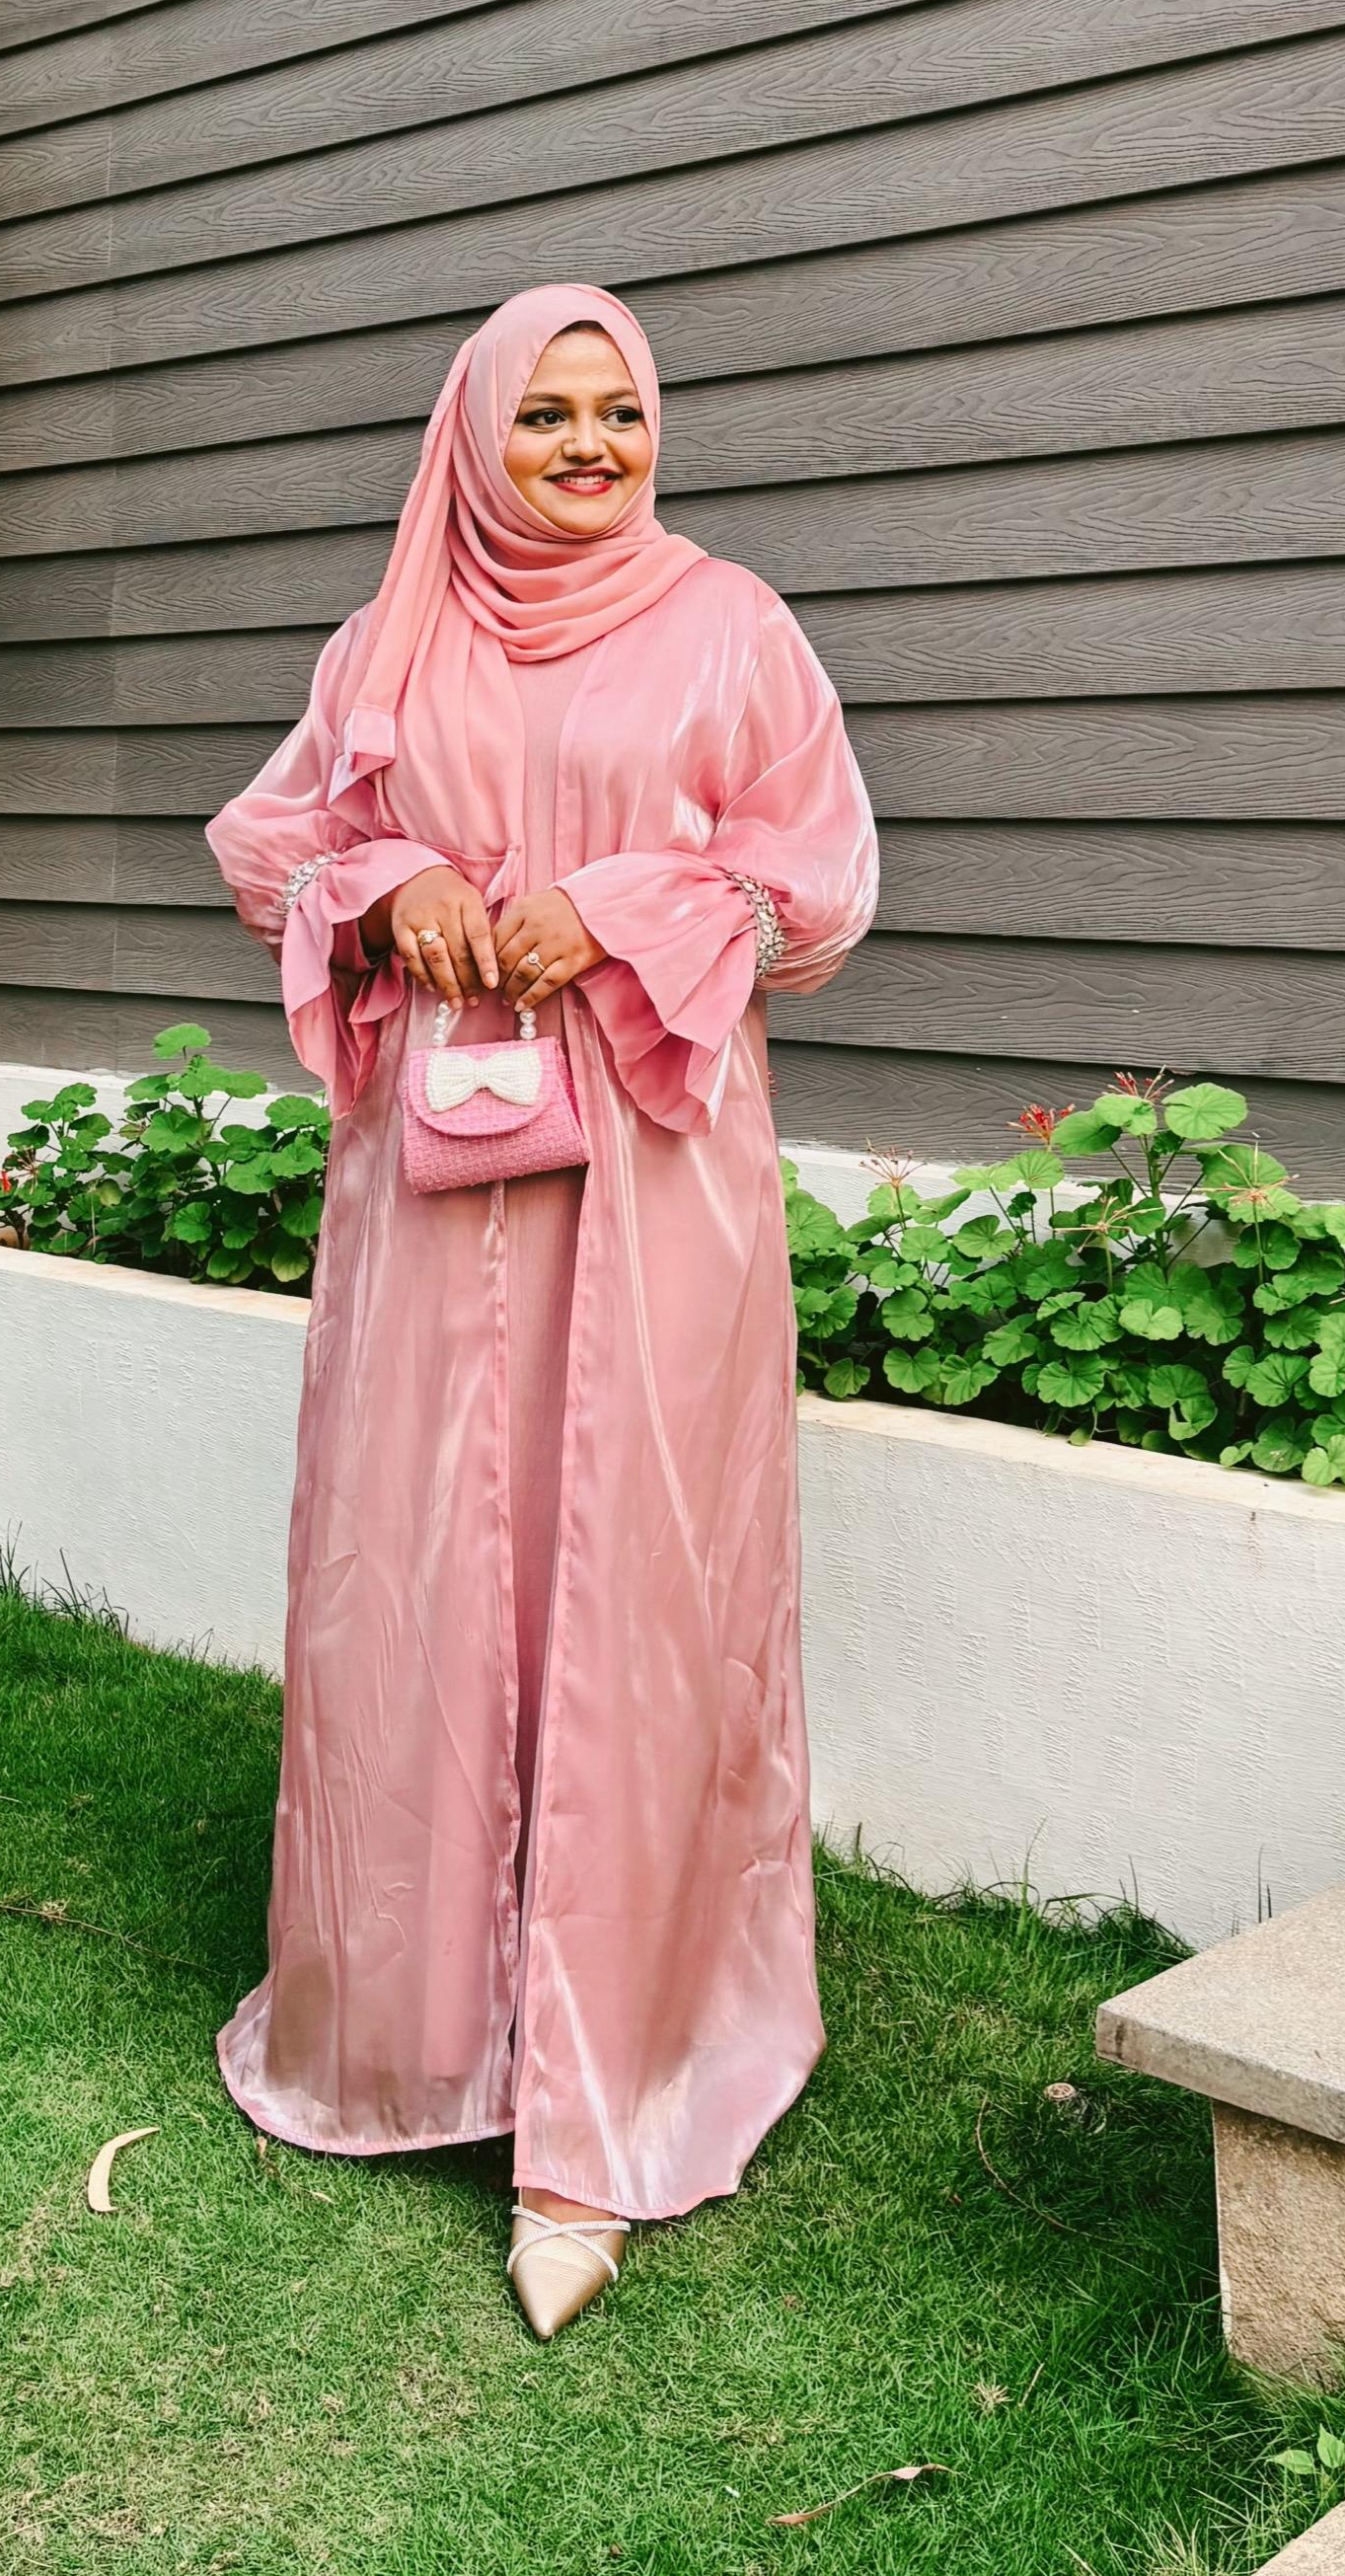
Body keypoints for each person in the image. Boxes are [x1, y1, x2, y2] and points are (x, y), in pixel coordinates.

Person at [205, 282, 878, 2337]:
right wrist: (378, 884)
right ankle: (420, 2032)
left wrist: (625, 901)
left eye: (623, 413)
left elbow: (820, 890)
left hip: (657, 1202)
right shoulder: (391, 636)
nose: (592, 449)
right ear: (473, 439)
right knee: (425, 1587)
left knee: (636, 1592)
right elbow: (278, 841)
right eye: (548, 419)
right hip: (434, 1205)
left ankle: (617, 2086)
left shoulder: (731, 628)